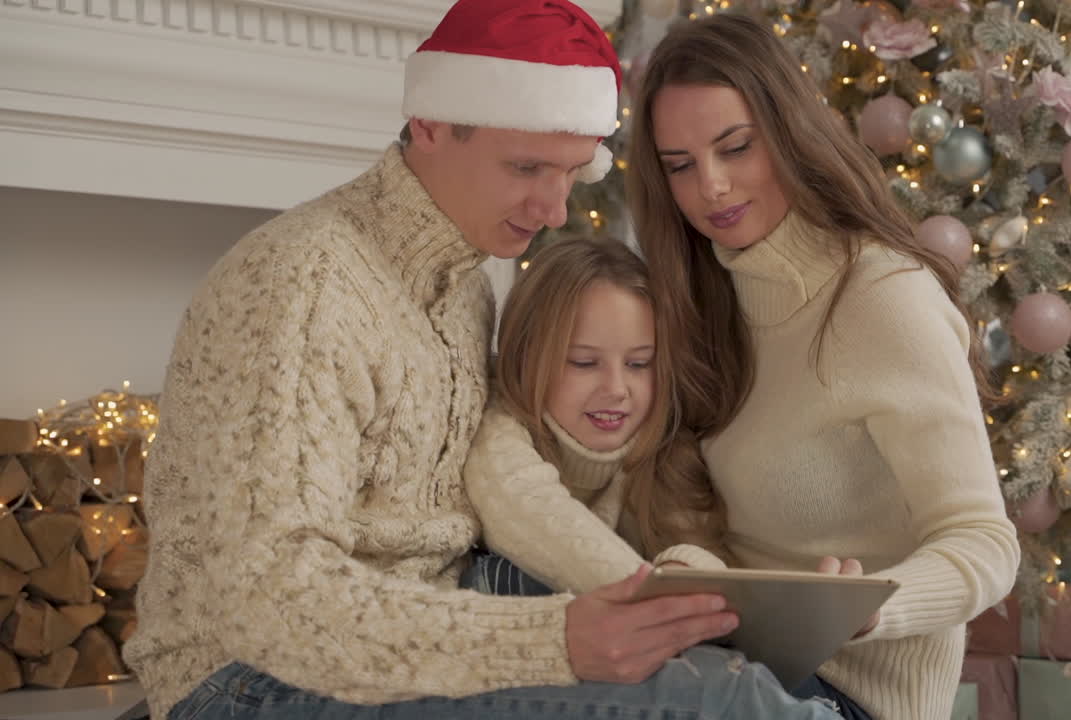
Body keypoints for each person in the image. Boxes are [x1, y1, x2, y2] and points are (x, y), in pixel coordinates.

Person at [124, 1, 843, 718]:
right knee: (724, 703)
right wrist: (550, 640)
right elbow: (269, 599)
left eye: (570, 173)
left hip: (435, 623)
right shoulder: (301, 283)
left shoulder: (467, 286)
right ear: (431, 124)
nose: (555, 209)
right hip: (249, 681)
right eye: (527, 167)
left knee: (734, 662)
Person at [627, 14, 1021, 720]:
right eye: (680, 166)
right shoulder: (702, 297)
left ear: (787, 133)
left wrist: (867, 609)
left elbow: (986, 544)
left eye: (736, 148)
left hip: (851, 699)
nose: (710, 187)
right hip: (732, 664)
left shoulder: (881, 296)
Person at [463, 238, 731, 599]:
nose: (617, 388)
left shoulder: (665, 451)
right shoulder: (498, 425)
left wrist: (684, 571)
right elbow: (524, 507)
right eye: (584, 362)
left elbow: (712, 564)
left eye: (639, 364)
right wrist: (652, 595)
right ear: (526, 360)